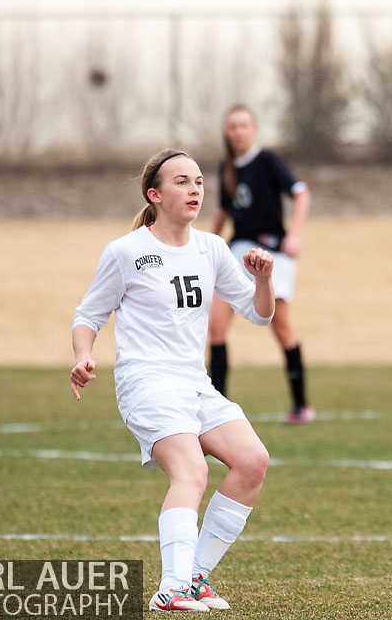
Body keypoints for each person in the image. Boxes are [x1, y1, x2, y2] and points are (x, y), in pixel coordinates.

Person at [70, 149, 276, 612]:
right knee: (192, 471)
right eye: (182, 182)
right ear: (155, 195)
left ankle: (195, 578)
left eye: (199, 182)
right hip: (146, 383)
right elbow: (88, 314)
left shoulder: (211, 248)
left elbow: (259, 315)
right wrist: (83, 356)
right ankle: (172, 587)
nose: (195, 190)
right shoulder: (126, 252)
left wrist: (263, 280)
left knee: (252, 461)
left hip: (194, 383)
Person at [208, 104, 315, 425]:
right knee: (216, 326)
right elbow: (224, 213)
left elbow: (301, 193)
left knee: (280, 328)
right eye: (232, 126)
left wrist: (294, 235)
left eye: (243, 125)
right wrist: (201, 247)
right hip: (238, 251)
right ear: (227, 133)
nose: (237, 131)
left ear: (253, 128)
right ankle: (216, 410)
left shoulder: (267, 161)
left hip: (271, 254)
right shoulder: (225, 168)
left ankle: (301, 405)